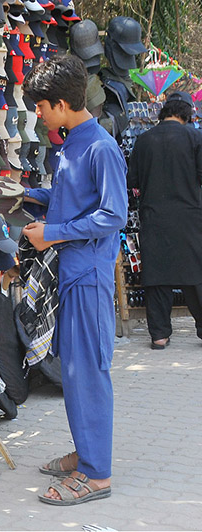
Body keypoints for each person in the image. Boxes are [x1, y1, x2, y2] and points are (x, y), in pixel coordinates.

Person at [20, 55, 128, 505]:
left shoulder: (100, 147)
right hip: (72, 273)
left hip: (88, 275)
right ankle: (86, 454)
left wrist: (54, 233)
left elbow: (112, 215)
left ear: (61, 104)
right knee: (74, 370)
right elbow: (69, 197)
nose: (38, 114)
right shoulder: (72, 143)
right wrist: (20, 194)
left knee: (88, 372)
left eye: (41, 107)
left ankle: (97, 474)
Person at [126, 91, 202, 349]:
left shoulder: (144, 141)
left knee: (157, 276)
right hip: (190, 218)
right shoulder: (196, 138)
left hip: (154, 217)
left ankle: (159, 335)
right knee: (196, 274)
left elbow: (132, 180)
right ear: (187, 113)